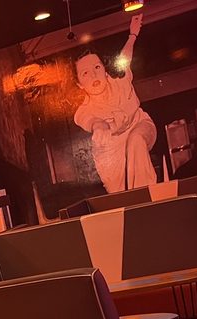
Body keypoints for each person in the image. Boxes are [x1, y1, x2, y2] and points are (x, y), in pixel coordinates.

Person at [73, 13, 158, 192]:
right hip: (111, 147)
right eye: (85, 73)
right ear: (79, 84)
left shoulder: (121, 81)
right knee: (118, 192)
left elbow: (125, 57)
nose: (93, 75)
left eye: (97, 67)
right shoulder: (83, 111)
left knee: (135, 141)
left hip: (140, 126)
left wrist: (133, 34)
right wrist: (99, 125)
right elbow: (90, 121)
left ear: (105, 70)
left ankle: (148, 197)